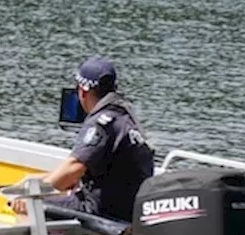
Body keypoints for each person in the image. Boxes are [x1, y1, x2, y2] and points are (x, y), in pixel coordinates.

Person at [11, 56, 155, 223]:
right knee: (62, 193)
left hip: (102, 211)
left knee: (29, 208)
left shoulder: (101, 123)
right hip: (129, 210)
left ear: (82, 91)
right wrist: (35, 180)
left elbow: (74, 168)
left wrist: (30, 196)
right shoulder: (125, 116)